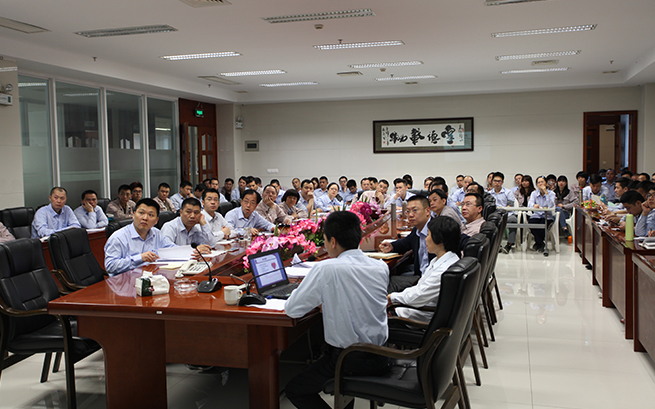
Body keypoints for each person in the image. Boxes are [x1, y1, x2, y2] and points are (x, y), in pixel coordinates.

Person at [284, 211, 390, 409]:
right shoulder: (380, 266)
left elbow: (292, 309)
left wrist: (320, 299)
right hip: (381, 355)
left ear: (332, 241)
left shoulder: (326, 269)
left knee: (295, 389)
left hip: (347, 360)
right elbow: (359, 300)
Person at [388, 216, 461, 321]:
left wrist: (392, 297)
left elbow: (418, 296)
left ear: (440, 240)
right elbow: (420, 288)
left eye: (428, 235)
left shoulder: (443, 271)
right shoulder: (442, 259)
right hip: (418, 307)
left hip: (418, 317)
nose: (426, 239)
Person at [104, 198, 175, 277]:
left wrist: (186, 252)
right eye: (141, 213)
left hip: (150, 278)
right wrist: (139, 258)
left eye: (150, 215)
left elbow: (172, 249)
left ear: (156, 220)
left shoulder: (156, 233)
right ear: (133, 215)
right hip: (125, 281)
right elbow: (110, 266)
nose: (145, 218)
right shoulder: (118, 237)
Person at [379, 195, 433, 291]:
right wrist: (391, 246)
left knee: (387, 282)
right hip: (421, 275)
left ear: (427, 211)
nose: (410, 215)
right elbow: (405, 243)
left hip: (430, 281)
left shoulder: (437, 230)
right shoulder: (417, 229)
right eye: (408, 211)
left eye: (415, 210)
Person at [488, 172, 518, 253]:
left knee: (513, 220)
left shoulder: (508, 192)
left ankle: (509, 244)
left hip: (507, 214)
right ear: (492, 181)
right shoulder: (489, 194)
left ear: (502, 182)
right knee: (490, 222)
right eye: (495, 181)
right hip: (495, 215)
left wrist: (503, 210)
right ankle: (497, 244)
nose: (497, 183)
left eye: (499, 181)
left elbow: (510, 205)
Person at [528, 176, 556, 253]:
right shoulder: (534, 193)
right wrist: (533, 205)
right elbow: (530, 204)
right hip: (536, 215)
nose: (540, 184)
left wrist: (546, 193)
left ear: (546, 183)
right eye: (538, 182)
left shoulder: (551, 194)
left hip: (547, 216)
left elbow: (550, 205)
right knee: (531, 224)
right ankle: (540, 242)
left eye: (542, 182)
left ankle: (538, 243)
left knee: (543, 225)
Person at [553, 175, 578, 240]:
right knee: (558, 210)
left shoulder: (569, 192)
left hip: (565, 212)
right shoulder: (553, 192)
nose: (561, 183)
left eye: (563, 181)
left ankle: (560, 232)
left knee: (559, 210)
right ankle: (565, 228)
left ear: (566, 183)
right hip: (554, 212)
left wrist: (564, 206)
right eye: (559, 181)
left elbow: (576, 203)